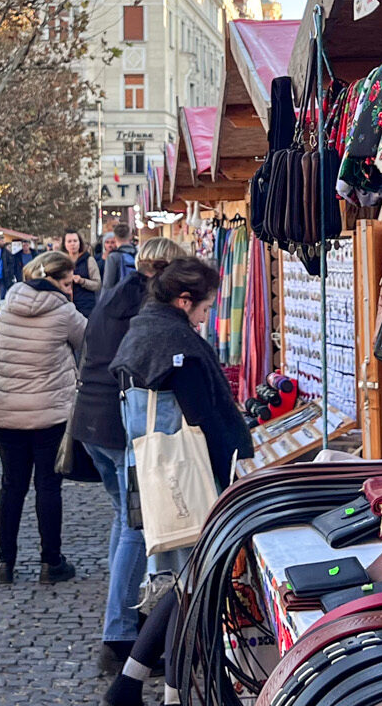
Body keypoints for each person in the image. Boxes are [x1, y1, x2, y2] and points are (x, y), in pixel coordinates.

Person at [103, 257, 250, 706]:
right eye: (204, 308)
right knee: (194, 581)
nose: (207, 317)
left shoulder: (145, 327)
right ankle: (160, 690)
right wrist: (238, 473)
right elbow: (205, 418)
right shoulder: (175, 342)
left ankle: (138, 685)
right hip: (188, 479)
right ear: (184, 301)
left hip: (158, 475)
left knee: (187, 582)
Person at [73, 236, 188, 673]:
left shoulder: (115, 294)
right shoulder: (147, 305)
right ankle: (120, 635)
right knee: (136, 528)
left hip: (91, 422)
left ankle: (127, 618)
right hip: (120, 427)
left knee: (126, 521)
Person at [0, 250, 86, 585]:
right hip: (51, 414)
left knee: (11, 486)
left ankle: (5, 563)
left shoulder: (4, 307)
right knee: (49, 486)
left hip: (7, 413)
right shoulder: (64, 312)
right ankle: (51, 563)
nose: (70, 289)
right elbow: (92, 343)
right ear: (52, 280)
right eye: (66, 282)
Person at [62, 231, 103, 319]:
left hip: (85, 307)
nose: (72, 244)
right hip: (65, 306)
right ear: (64, 244)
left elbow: (97, 284)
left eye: (75, 241)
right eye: (69, 241)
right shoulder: (61, 262)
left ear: (80, 243)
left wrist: (82, 281)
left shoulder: (89, 260)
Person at [102, 224, 137, 294]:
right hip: (138, 298)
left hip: (120, 299)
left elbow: (108, 284)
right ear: (130, 237)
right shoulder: (139, 254)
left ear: (115, 238)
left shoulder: (113, 257)